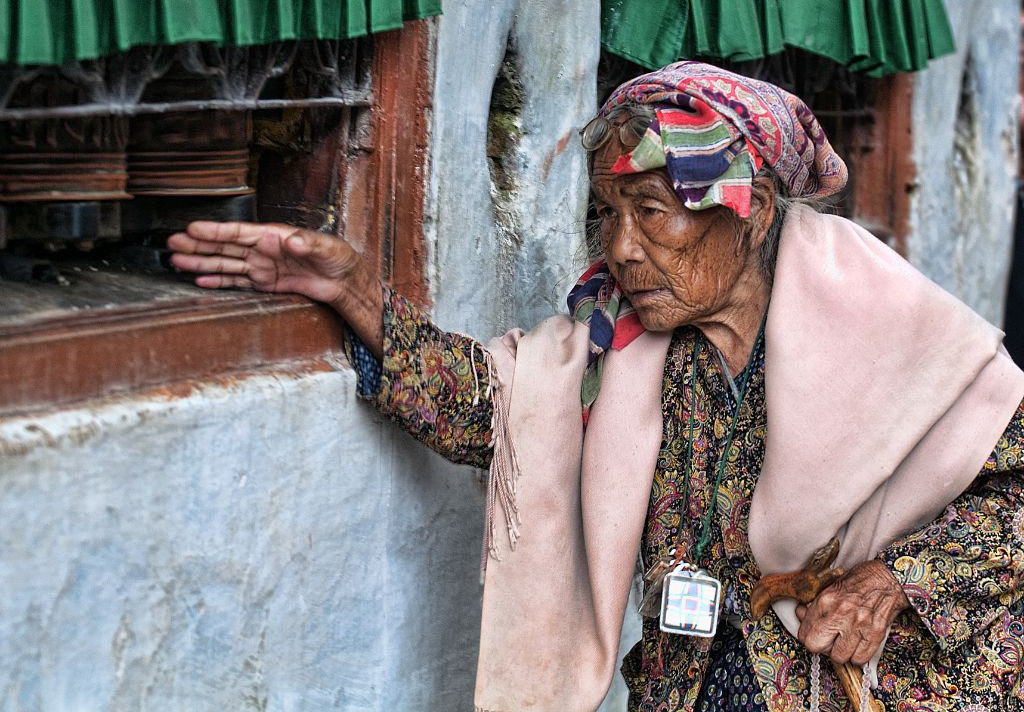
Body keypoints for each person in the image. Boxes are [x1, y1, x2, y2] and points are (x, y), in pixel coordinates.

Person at [168, 62, 1024, 712]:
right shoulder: (621, 341)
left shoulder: (881, 317)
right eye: (606, 216)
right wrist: (354, 293)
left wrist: (895, 579)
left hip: (877, 687)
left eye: (651, 211)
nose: (619, 248)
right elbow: (492, 407)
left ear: (751, 207)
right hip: (697, 688)